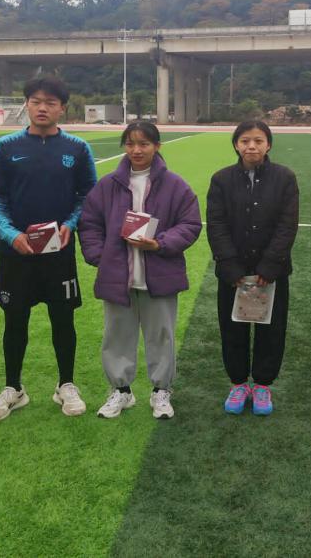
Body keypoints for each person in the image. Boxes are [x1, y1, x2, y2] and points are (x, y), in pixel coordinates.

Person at [0, 77, 97, 421]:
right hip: (16, 252)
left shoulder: (77, 148)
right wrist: (10, 234)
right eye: (35, 101)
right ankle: (13, 388)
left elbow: (88, 195)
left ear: (62, 108)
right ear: (27, 105)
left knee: (63, 318)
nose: (42, 108)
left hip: (58, 252)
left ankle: (66, 384)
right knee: (15, 319)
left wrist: (70, 224)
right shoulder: (6, 146)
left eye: (50, 102)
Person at [79, 121, 202, 420]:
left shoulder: (175, 185)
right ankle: (121, 390)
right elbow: (90, 223)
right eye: (131, 143)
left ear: (157, 146)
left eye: (144, 144)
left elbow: (190, 224)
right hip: (117, 276)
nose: (137, 150)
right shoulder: (108, 185)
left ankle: (161, 390)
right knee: (117, 335)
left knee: (161, 335)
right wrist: (100, 256)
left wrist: (160, 243)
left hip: (160, 274)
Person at [206, 120, 299, 415]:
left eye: (258, 141)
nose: (251, 146)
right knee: (232, 328)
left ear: (268, 144)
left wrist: (270, 265)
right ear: (236, 144)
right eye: (245, 140)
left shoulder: (284, 178)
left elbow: (287, 224)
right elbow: (216, 224)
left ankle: (262, 385)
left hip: (271, 273)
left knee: (271, 329)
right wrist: (230, 265)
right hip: (232, 274)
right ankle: (238, 384)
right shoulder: (221, 179)